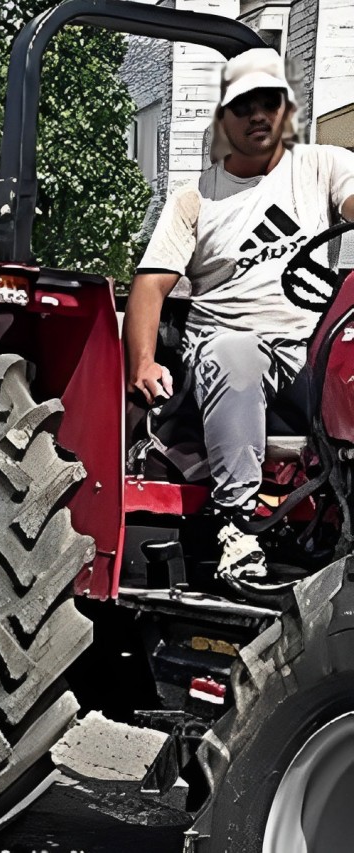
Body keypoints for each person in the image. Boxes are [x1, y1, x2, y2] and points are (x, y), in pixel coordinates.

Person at [123, 47, 354, 581]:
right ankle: (237, 525)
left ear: (286, 111)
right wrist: (141, 362)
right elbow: (150, 286)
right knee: (237, 353)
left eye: (269, 103)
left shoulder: (324, 166)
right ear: (224, 118)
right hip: (224, 344)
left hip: (306, 347)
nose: (257, 115)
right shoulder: (195, 197)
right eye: (243, 105)